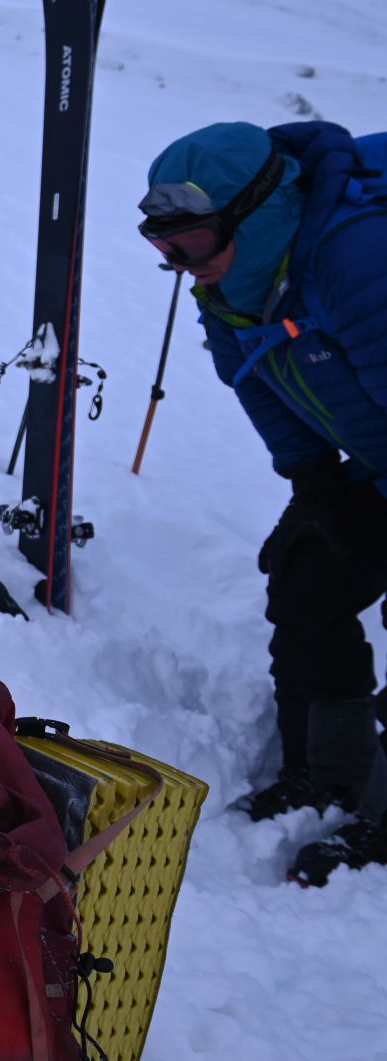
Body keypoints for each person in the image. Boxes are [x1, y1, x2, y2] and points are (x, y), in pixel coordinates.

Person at [137, 120, 387, 886]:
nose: (183, 267)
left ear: (261, 209)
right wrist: (314, 483)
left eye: (194, 244)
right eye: (165, 249)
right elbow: (259, 383)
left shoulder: (357, 260)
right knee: (308, 571)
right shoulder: (233, 285)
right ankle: (328, 770)